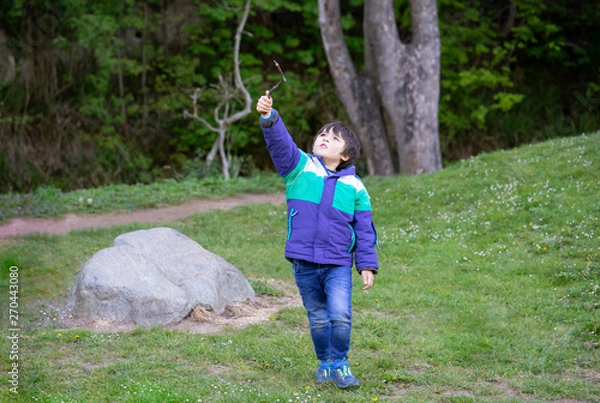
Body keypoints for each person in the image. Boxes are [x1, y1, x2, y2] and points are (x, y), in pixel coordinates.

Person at [256, 91, 379, 388]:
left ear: (346, 154)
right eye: (322, 134)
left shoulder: (356, 187)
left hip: (337, 264)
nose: (324, 137)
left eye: (333, 138)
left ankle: (340, 362)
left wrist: (366, 264)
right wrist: (269, 118)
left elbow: (365, 231)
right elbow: (280, 144)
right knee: (319, 318)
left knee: (340, 315)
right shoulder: (299, 168)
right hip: (304, 263)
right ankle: (325, 363)